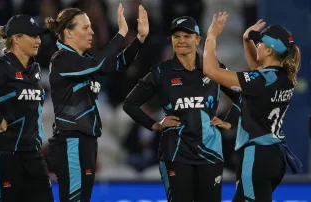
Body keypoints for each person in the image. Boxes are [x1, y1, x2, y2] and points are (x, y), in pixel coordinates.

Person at [123, 16, 241, 202]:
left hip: (210, 153)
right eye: (176, 36)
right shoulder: (161, 72)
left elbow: (241, 95)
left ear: (198, 40)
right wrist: (155, 125)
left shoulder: (214, 68)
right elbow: (129, 104)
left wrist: (229, 122)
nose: (181, 41)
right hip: (175, 154)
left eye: (187, 35)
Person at [44, 4, 149, 202]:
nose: (92, 31)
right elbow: (99, 64)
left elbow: (120, 63)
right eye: (85, 27)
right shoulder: (62, 59)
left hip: (87, 142)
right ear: (68, 32)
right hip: (70, 142)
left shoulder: (85, 60)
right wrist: (121, 33)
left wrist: (139, 39)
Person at [203, 12, 302, 201]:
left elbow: (210, 71)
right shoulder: (284, 77)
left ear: (269, 51)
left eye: (262, 43)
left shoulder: (262, 80)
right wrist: (247, 41)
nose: (259, 44)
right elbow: (257, 71)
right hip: (274, 156)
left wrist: (212, 37)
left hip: (256, 155)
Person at [0, 15, 53, 202]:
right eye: (32, 36)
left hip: (32, 156)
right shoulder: (0, 66)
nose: (38, 40)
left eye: (39, 36)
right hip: (4, 154)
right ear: (16, 38)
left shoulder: (35, 69)